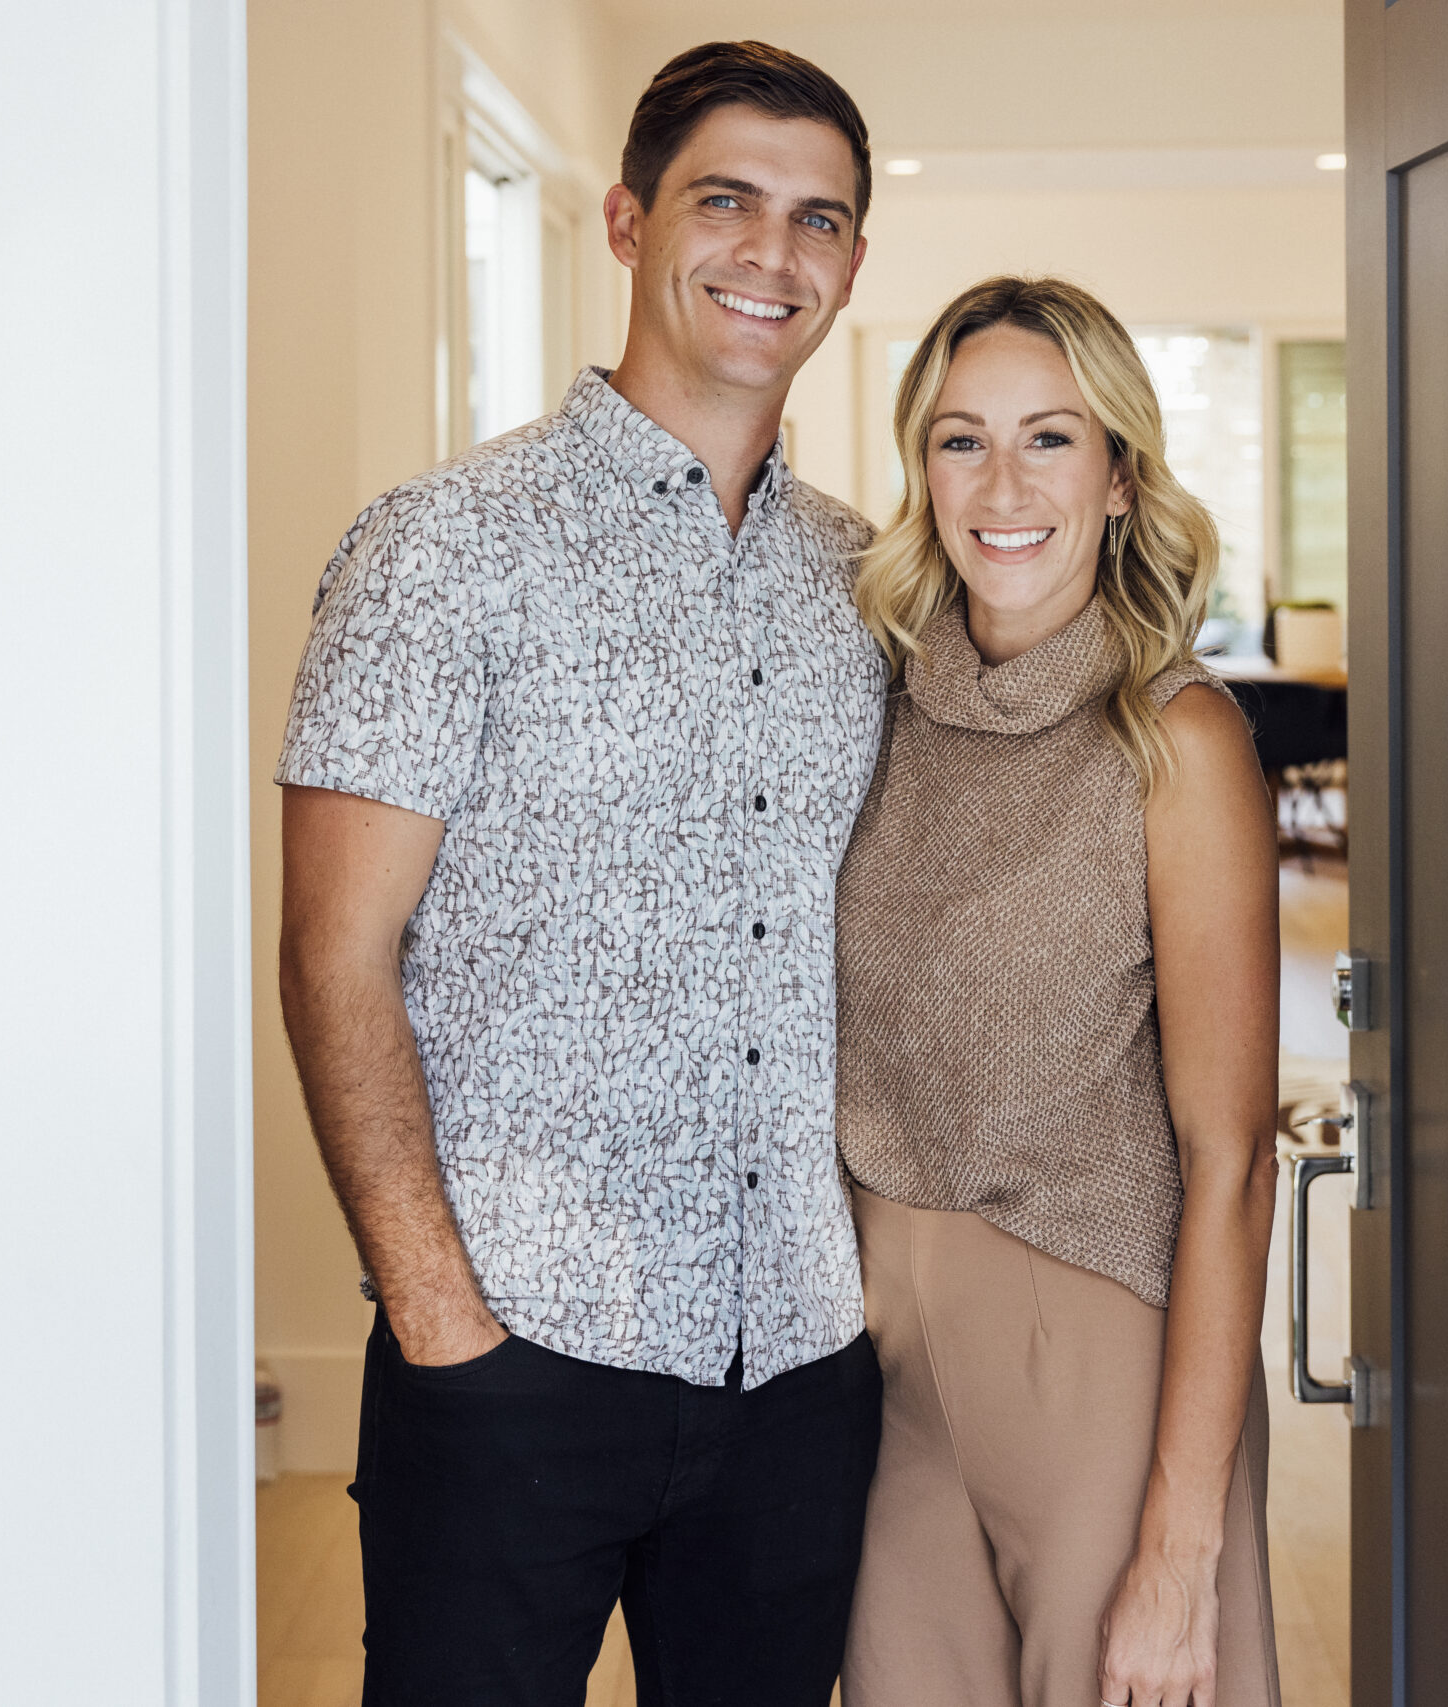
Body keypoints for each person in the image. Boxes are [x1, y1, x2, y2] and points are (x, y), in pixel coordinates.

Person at [274, 42, 887, 1707]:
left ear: (850, 263)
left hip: (802, 1366)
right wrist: (435, 1318)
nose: (773, 253)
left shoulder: (869, 585)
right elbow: (335, 954)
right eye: (727, 201)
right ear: (626, 221)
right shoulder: (441, 548)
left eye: (819, 219)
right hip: (512, 1354)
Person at [836, 276, 1285, 1707]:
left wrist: (1183, 1541)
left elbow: (1232, 1159)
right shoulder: (884, 703)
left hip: (1100, 1347)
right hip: (879, 1347)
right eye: (962, 440)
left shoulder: (1176, 740)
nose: (1003, 483)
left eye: (1050, 438)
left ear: (1118, 476)